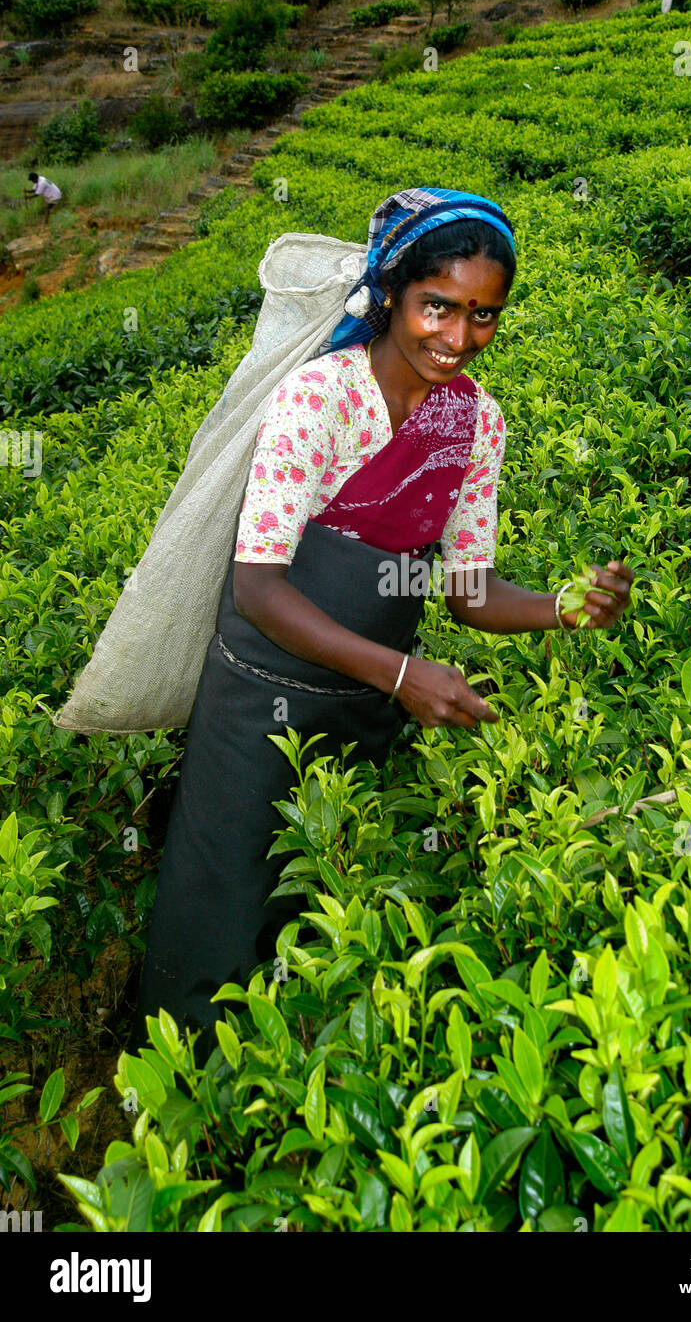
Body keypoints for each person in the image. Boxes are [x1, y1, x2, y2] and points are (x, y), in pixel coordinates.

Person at [129, 186, 634, 1058]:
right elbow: (257, 588)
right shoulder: (317, 400)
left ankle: (294, 1096)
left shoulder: (475, 423)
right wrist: (403, 675)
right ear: (392, 293)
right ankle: (178, 1089)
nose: (457, 337)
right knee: (224, 900)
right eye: (439, 306)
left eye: (483, 315)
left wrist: (564, 608)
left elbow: (467, 592)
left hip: (361, 711)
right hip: (260, 708)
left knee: (322, 903)